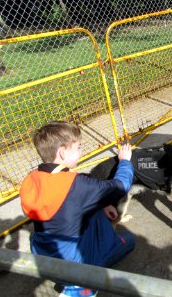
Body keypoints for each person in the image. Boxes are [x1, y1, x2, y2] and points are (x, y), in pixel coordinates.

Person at [20, 121, 135, 297]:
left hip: (42, 252)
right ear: (62, 152)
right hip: (72, 261)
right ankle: (78, 289)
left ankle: (72, 279)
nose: (81, 151)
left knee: (95, 211)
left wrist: (102, 204)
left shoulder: (32, 178)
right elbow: (120, 185)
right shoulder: (78, 186)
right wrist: (125, 162)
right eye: (78, 147)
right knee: (129, 241)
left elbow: (71, 200)